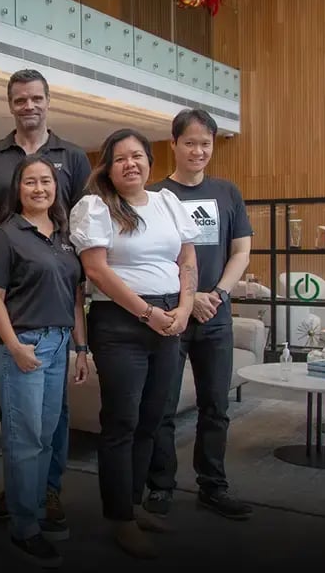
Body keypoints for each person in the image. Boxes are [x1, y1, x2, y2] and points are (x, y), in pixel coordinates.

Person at [69, 128, 199, 559]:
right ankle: (118, 517)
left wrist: (183, 309)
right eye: (121, 158)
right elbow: (97, 272)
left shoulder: (167, 201)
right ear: (107, 165)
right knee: (122, 421)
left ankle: (135, 504)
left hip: (169, 318)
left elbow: (187, 261)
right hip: (121, 322)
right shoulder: (96, 206)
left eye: (138, 156)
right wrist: (147, 312)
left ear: (150, 162)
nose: (131, 163)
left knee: (153, 417)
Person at [0, 68, 91, 527]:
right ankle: (21, 490)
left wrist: (81, 340)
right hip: (11, 297)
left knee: (52, 415)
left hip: (57, 295)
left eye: (36, 98)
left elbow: (84, 225)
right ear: (10, 104)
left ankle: (48, 489)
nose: (29, 106)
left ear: (49, 101)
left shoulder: (74, 156)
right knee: (19, 415)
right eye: (20, 99)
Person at [144, 109, 254, 520]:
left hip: (215, 316)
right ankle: (160, 485)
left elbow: (240, 250)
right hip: (171, 315)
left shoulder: (227, 192)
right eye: (189, 142)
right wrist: (189, 300)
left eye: (205, 143)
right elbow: (149, 258)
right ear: (173, 144)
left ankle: (213, 485)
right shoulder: (154, 197)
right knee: (162, 405)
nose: (198, 150)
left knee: (215, 406)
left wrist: (218, 294)